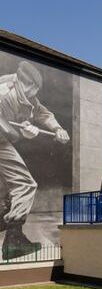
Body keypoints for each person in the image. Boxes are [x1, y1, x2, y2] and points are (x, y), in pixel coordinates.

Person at [0, 61, 70, 260]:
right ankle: (13, 243)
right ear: (26, 84)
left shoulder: (24, 94)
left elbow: (43, 113)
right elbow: (4, 127)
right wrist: (22, 132)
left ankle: (7, 224)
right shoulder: (4, 92)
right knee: (25, 184)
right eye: (33, 91)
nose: (33, 96)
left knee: (7, 187)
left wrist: (58, 129)